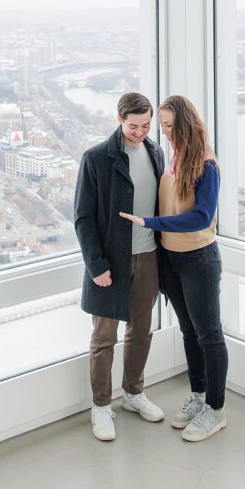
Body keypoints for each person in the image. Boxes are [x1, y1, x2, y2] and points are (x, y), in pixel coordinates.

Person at [120, 94, 228, 442]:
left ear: (185, 123)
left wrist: (150, 222)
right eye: (162, 126)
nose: (164, 132)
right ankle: (198, 396)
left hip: (199, 259)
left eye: (169, 125)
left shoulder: (206, 165)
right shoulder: (173, 158)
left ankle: (216, 409)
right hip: (172, 259)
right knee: (188, 331)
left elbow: (201, 217)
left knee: (209, 335)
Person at [74, 91, 166, 442]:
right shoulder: (96, 158)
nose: (140, 132)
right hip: (109, 264)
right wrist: (96, 265)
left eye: (146, 125)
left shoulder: (155, 152)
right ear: (119, 119)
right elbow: (83, 218)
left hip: (148, 258)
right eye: (133, 126)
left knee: (141, 331)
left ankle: (133, 393)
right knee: (103, 338)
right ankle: (100, 406)